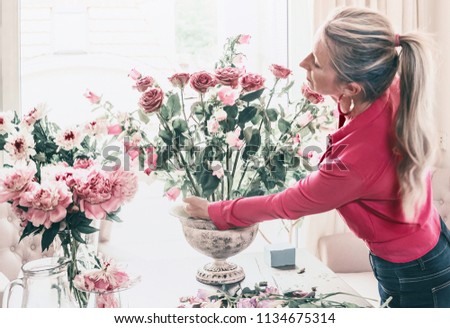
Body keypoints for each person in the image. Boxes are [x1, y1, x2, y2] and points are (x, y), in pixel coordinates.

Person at [183, 6, 450, 308]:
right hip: (430, 245)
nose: (303, 62)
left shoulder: (356, 162)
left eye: (318, 63)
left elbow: (286, 204)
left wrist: (215, 211)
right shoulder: (387, 86)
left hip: (416, 275)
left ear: (351, 86)